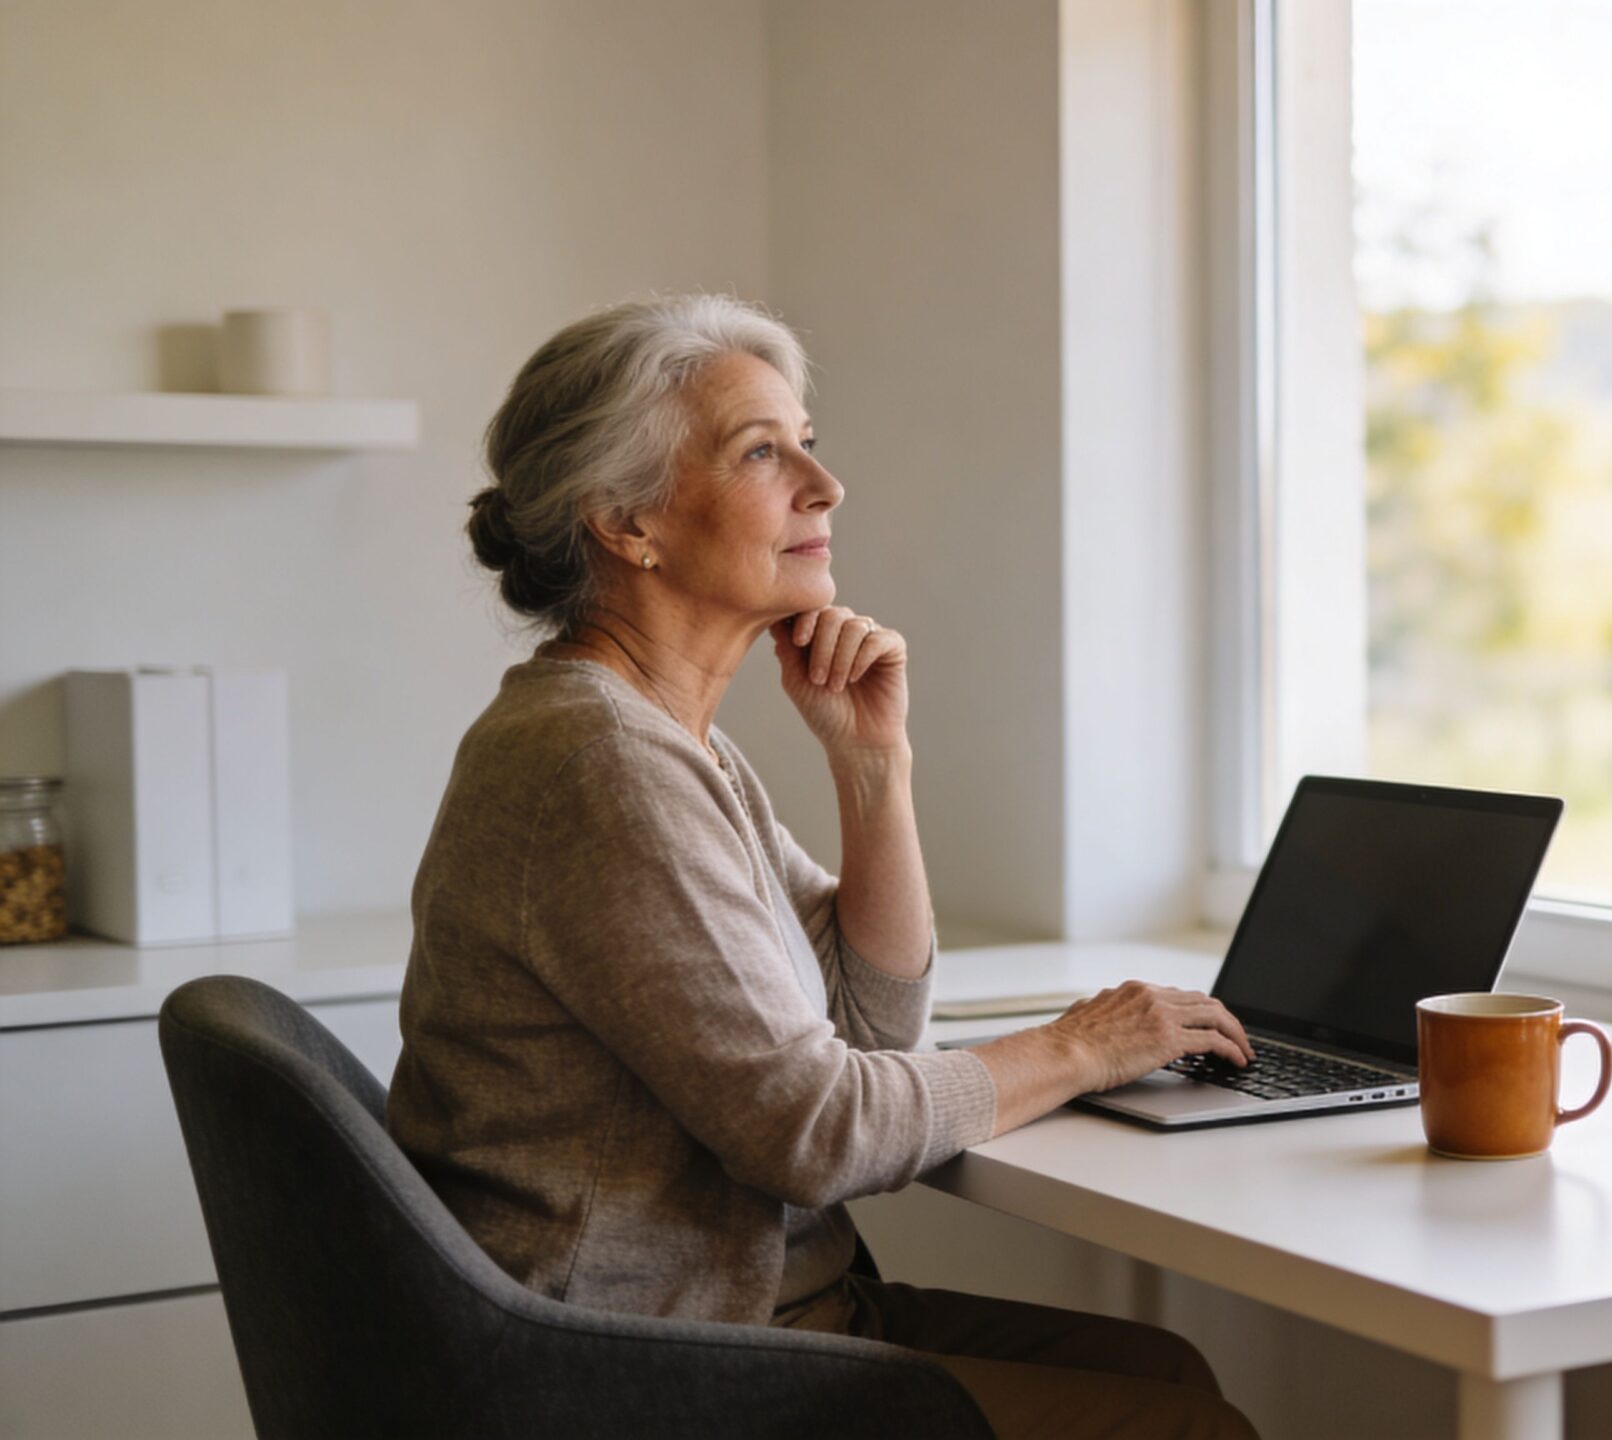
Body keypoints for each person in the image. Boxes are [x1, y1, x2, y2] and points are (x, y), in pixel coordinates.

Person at [386, 293, 1259, 1440]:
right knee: (1182, 1428)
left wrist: (872, 767)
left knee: (1169, 1370)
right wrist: (1079, 1047)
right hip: (628, 1358)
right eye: (762, 451)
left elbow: (871, 1026)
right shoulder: (598, 761)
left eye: (810, 441)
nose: (823, 484)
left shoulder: (674, 743)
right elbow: (821, 1135)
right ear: (624, 519)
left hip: (751, 1307)